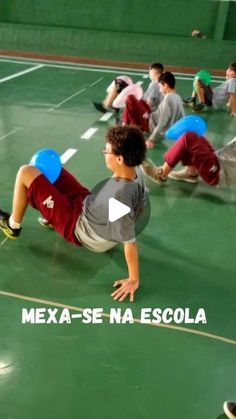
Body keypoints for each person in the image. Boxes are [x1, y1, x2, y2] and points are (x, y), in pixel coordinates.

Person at [0, 126, 147, 302]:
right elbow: (141, 207)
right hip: (87, 204)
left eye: (106, 151)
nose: (104, 153)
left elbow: (129, 242)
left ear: (120, 158)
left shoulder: (120, 196)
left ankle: (13, 225)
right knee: (58, 172)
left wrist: (133, 279)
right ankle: (53, 215)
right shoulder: (135, 172)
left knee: (26, 172)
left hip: (77, 226)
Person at [141, 131, 236, 188]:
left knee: (189, 138)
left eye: (232, 96)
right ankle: (191, 172)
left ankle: (161, 174)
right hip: (218, 157)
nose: (230, 99)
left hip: (218, 170)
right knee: (197, 137)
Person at [123, 72, 184, 149]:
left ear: (166, 85)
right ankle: (127, 126)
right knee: (140, 101)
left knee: (130, 98)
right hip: (150, 116)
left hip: (148, 123)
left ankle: (129, 128)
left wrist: (151, 139)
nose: (160, 90)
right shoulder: (178, 97)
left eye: (160, 87)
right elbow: (182, 118)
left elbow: (162, 121)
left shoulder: (168, 98)